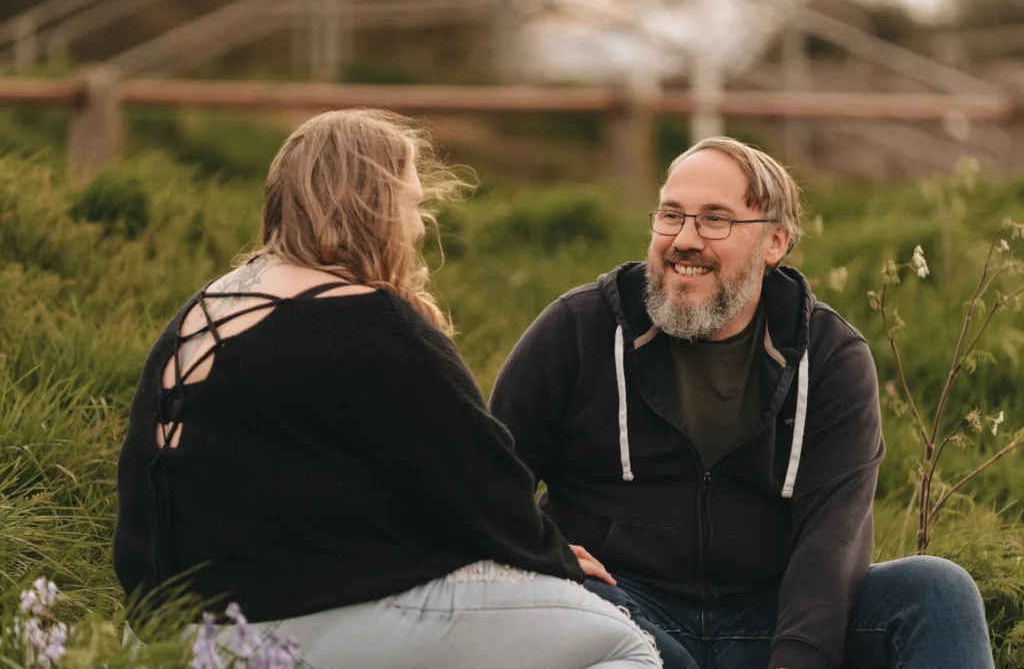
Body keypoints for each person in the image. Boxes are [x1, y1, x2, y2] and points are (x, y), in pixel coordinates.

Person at [113, 109, 661, 669]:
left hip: (162, 631)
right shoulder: (366, 321)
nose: (420, 227)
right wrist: (556, 558)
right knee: (627, 646)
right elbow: (484, 487)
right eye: (413, 205)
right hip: (278, 625)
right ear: (370, 207)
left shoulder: (210, 305)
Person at [489, 137, 995, 669]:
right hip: (620, 607)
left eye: (714, 220)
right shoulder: (578, 329)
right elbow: (484, 481)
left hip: (770, 617)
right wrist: (538, 552)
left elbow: (832, 541)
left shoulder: (829, 357)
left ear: (774, 242)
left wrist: (798, 658)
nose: (684, 239)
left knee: (937, 590)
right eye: (671, 215)